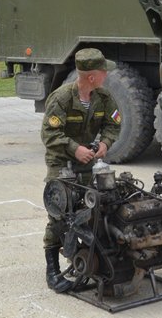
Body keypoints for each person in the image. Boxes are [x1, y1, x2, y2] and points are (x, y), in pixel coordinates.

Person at [40, 48, 121, 291]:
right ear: (92, 77)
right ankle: (53, 271)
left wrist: (105, 143)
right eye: (103, 71)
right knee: (59, 215)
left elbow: (113, 124)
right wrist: (75, 149)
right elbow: (49, 134)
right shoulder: (61, 98)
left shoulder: (103, 97)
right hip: (61, 164)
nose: (107, 75)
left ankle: (88, 259)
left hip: (86, 165)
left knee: (90, 211)